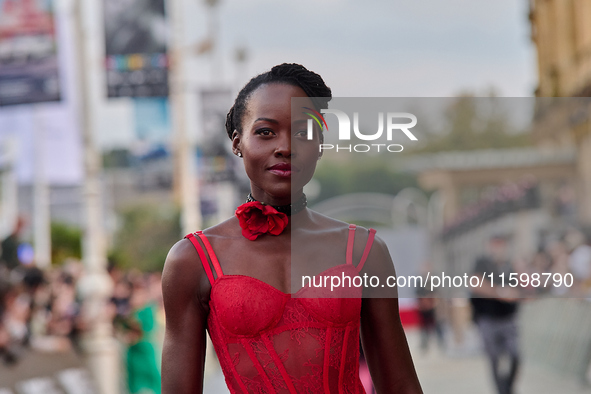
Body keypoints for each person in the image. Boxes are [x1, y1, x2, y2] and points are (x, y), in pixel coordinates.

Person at [161, 63, 423, 393]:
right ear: (237, 143)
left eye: (303, 132)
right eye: (266, 132)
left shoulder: (363, 251)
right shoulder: (192, 260)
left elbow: (401, 385)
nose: (285, 147)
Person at [470, 235, 520, 394]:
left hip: (507, 318)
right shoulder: (482, 264)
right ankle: (501, 390)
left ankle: (508, 387)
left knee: (515, 354)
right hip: (488, 319)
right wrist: (499, 292)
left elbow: (519, 288)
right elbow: (476, 283)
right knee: (494, 359)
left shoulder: (510, 266)